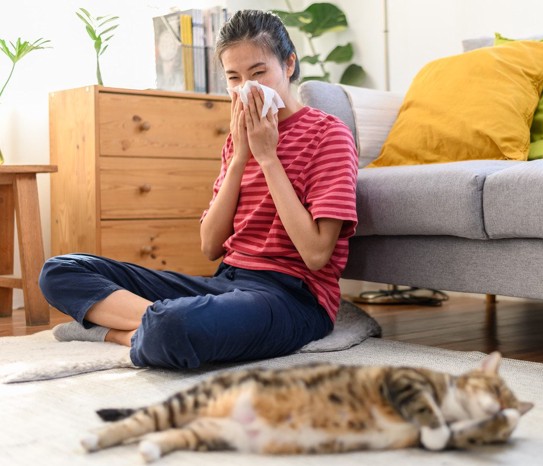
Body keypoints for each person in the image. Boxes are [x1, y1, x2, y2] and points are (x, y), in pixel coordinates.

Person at [39, 10, 358, 369]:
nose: (246, 89)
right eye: (234, 78)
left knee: (174, 325)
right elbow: (210, 246)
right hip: (226, 281)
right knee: (60, 270)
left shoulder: (329, 135)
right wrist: (240, 158)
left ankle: (121, 329)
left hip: (292, 296)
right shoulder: (236, 141)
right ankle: (150, 325)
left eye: (257, 73)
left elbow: (316, 255)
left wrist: (268, 158)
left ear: (288, 65)